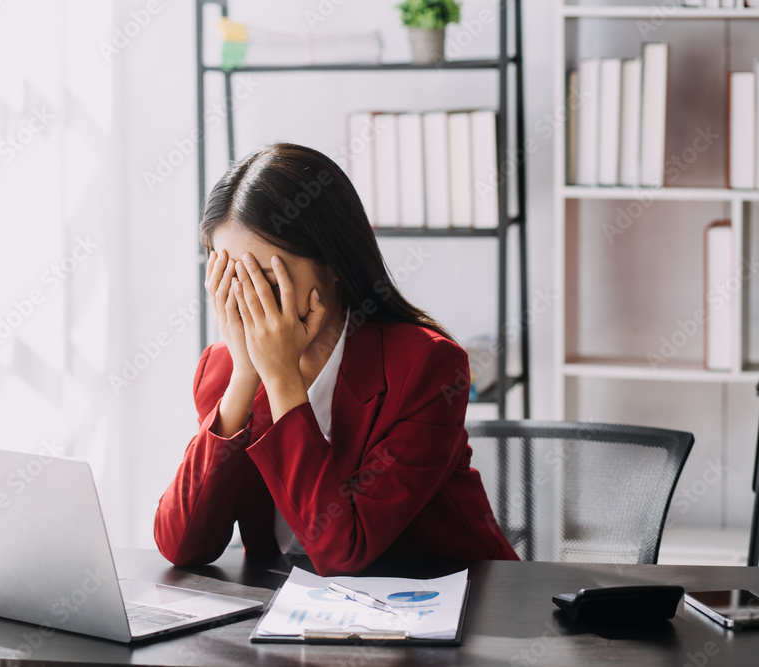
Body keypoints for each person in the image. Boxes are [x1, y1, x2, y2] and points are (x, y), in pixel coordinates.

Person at [153, 142, 518, 576]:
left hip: (453, 606)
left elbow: (345, 550)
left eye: (265, 279)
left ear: (333, 262)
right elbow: (181, 545)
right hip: (301, 617)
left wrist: (282, 378)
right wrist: (246, 377)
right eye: (232, 279)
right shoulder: (223, 369)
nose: (250, 302)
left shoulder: (427, 367)